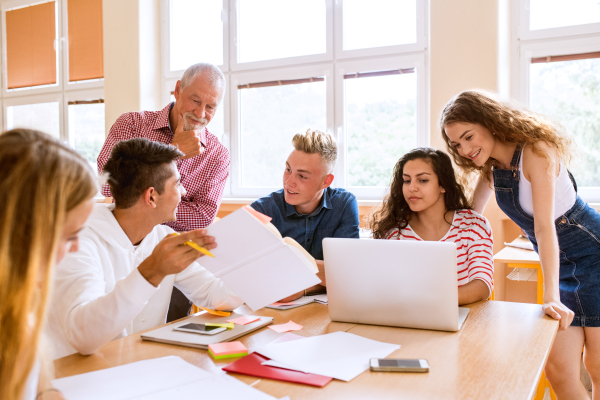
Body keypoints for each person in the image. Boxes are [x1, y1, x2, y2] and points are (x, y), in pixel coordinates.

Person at [440, 89, 600, 398]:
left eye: (469, 137)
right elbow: (470, 217)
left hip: (593, 254)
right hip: (562, 266)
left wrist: (549, 295)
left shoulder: (537, 152)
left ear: (489, 121)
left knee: (597, 366)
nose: (465, 149)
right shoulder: (492, 167)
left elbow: (543, 228)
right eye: (457, 144)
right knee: (558, 370)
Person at [48, 138, 242, 359]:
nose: (184, 190)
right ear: (151, 196)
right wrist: (152, 270)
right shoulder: (77, 242)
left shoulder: (163, 237)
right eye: (177, 183)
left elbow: (216, 295)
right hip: (74, 378)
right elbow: (84, 337)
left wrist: (254, 255)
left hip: (136, 367)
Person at [97, 62, 229, 320]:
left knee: (165, 328)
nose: (200, 112)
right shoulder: (132, 124)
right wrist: (172, 152)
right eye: (195, 100)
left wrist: (148, 200)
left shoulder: (217, 155)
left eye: (210, 107)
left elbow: (203, 216)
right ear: (178, 90)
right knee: (114, 319)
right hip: (121, 243)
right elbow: (106, 181)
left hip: (178, 252)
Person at [0, 129, 97, 400]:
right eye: (70, 236)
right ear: (24, 234)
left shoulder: (18, 310)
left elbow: (38, 388)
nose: (76, 247)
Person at [369, 147, 493, 304]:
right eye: (407, 180)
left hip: (460, 317)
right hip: (407, 316)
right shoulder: (394, 232)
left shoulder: (474, 226)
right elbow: (384, 287)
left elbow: (483, 285)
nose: (411, 187)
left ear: (443, 185)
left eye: (422, 180)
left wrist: (430, 301)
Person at [251, 129, 360, 300]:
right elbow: (259, 281)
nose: (289, 182)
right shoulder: (261, 210)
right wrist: (324, 272)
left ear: (326, 181)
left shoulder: (344, 204)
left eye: (302, 176)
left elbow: (349, 275)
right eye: (288, 169)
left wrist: (301, 288)